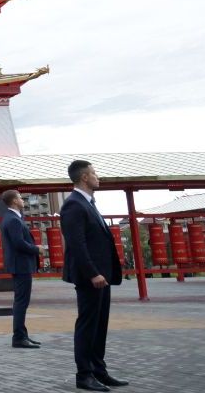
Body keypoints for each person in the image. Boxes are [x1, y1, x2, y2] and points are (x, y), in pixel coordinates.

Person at [61, 160, 127, 391]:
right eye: (94, 173)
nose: (98, 176)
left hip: (103, 277)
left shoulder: (88, 203)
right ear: (84, 178)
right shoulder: (74, 205)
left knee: (100, 325)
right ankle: (84, 375)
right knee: (88, 325)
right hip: (91, 278)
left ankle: (99, 370)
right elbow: (77, 244)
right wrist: (93, 273)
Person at [0, 189, 42, 349]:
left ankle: (22, 335)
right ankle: (18, 337)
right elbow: (18, 243)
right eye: (20, 198)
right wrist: (36, 249)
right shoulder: (13, 220)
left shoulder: (16, 218)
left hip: (21, 265)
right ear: (14, 201)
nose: (22, 200)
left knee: (22, 301)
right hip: (21, 265)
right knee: (21, 302)